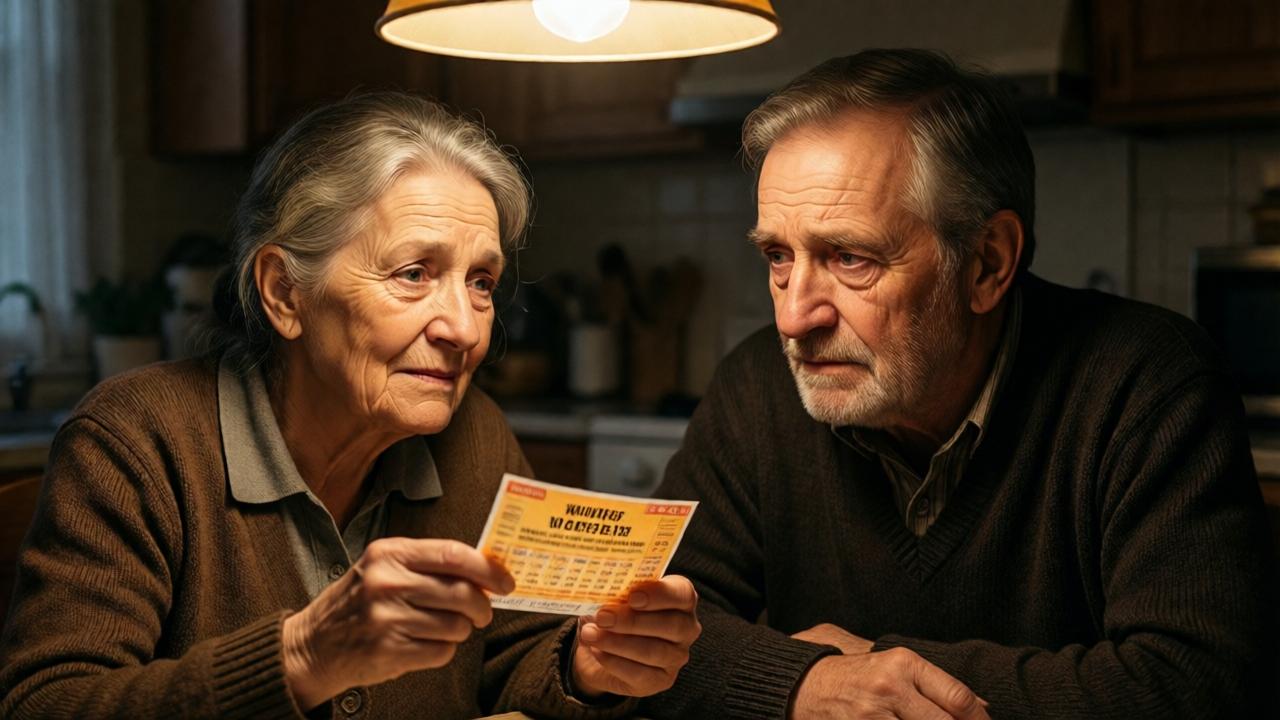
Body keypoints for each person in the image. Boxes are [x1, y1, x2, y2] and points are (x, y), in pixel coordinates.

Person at [0, 92, 700, 719]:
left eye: (481, 281)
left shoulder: (474, 435)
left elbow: (510, 662)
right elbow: (49, 703)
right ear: (283, 293)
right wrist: (302, 656)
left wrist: (584, 669)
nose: (463, 327)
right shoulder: (138, 441)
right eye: (414, 273)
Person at [642, 50, 1277, 719]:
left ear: (987, 264)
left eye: (850, 258)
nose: (795, 317)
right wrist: (804, 683)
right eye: (778, 256)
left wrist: (859, 674)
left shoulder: (1146, 382)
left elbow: (1199, 685)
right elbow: (639, 636)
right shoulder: (757, 384)